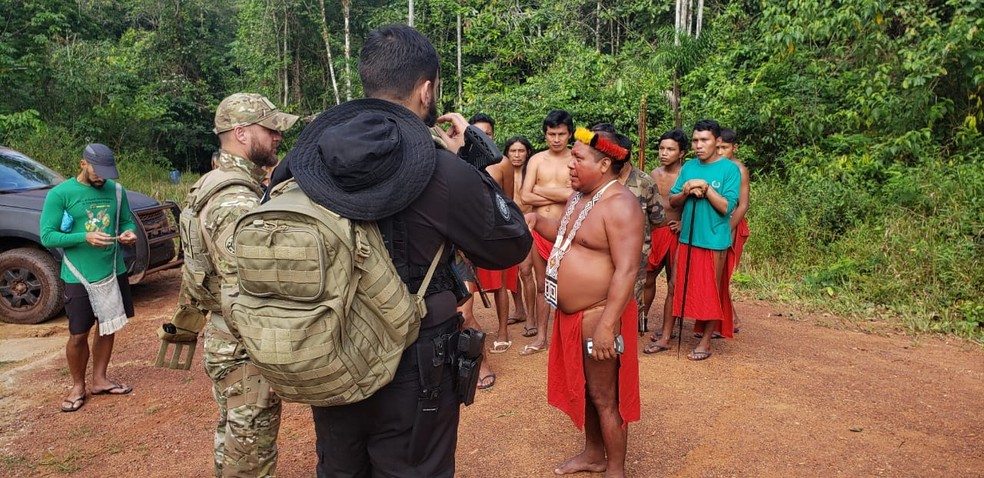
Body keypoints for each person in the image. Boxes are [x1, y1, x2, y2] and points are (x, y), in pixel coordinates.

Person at [267, 25, 531, 477]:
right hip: (416, 359)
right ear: (426, 90)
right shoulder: (442, 170)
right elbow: (511, 244)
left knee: (341, 467)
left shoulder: (303, 163)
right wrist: (472, 157)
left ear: (368, 80)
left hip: (331, 349)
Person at [189, 92, 298, 476]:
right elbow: (250, 286)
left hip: (227, 337)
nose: (276, 137)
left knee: (236, 438)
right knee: (250, 451)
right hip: (243, 345)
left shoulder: (215, 183)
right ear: (240, 132)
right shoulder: (235, 200)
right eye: (269, 129)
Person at [526, 126, 642, 478]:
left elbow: (627, 270)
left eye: (578, 158)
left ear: (604, 164)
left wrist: (608, 325)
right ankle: (594, 455)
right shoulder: (580, 196)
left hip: (599, 315)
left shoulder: (621, 206)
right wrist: (534, 220)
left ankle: (616, 470)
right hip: (572, 316)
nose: (570, 166)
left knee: (606, 397)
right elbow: (566, 236)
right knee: (588, 390)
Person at [40, 143, 138, 413]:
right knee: (78, 333)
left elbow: (126, 221)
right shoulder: (61, 194)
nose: (102, 177)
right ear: (83, 163)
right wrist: (84, 236)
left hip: (112, 270)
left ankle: (100, 379)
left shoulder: (116, 192)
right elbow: (48, 235)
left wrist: (130, 233)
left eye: (107, 173)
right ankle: (77, 385)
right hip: (78, 274)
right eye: (97, 171)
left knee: (108, 326)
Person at [669, 119, 740, 361]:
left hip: (714, 239)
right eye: (695, 140)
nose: (698, 145)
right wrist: (687, 190)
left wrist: (707, 189)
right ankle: (667, 335)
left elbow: (726, 207)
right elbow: (673, 201)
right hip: (687, 237)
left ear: (717, 141)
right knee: (674, 285)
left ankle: (706, 341)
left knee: (711, 290)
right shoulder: (688, 166)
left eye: (704, 140)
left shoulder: (730, 170)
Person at [591, 123, 664, 336]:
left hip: (635, 252)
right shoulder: (599, 180)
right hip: (603, 249)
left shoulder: (644, 182)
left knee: (631, 293)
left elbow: (658, 218)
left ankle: (628, 333)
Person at [519, 109, 575, 355]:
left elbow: (575, 196)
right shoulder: (536, 160)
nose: (556, 139)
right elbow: (524, 195)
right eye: (551, 134)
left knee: (570, 285)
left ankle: (568, 337)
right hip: (539, 229)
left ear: (569, 134)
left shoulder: (576, 160)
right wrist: (559, 193)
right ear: (545, 135)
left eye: (561, 134)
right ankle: (541, 336)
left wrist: (539, 191)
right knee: (543, 284)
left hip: (567, 230)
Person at [470, 113, 521, 360]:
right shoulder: (461, 161)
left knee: (500, 283)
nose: (483, 137)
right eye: (477, 132)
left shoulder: (502, 164)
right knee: (466, 284)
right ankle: (468, 329)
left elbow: (508, 200)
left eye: (487, 133)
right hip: (469, 230)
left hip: (496, 232)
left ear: (493, 135)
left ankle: (503, 332)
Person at [643, 129, 688, 354]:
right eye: (661, 148)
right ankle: (642, 318)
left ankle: (668, 328)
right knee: (648, 278)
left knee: (674, 282)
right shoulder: (654, 173)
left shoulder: (686, 174)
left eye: (670, 149)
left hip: (676, 234)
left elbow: (693, 205)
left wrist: (683, 224)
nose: (664, 153)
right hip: (655, 232)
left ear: (682, 153)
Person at [501, 136, 537, 334]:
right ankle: (519, 310)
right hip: (508, 227)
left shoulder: (531, 174)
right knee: (510, 272)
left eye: (521, 151)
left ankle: (531, 317)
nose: (516, 155)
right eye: (513, 151)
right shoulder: (501, 171)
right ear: (507, 153)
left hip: (527, 226)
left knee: (525, 271)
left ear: (527, 153)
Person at [718, 128, 749, 333]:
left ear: (734, 148)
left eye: (725, 147)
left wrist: (728, 230)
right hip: (715, 225)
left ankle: (731, 320)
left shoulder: (739, 169)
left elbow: (742, 205)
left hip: (732, 225)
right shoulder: (716, 167)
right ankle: (725, 319)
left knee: (723, 274)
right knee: (715, 276)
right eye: (717, 147)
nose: (720, 151)